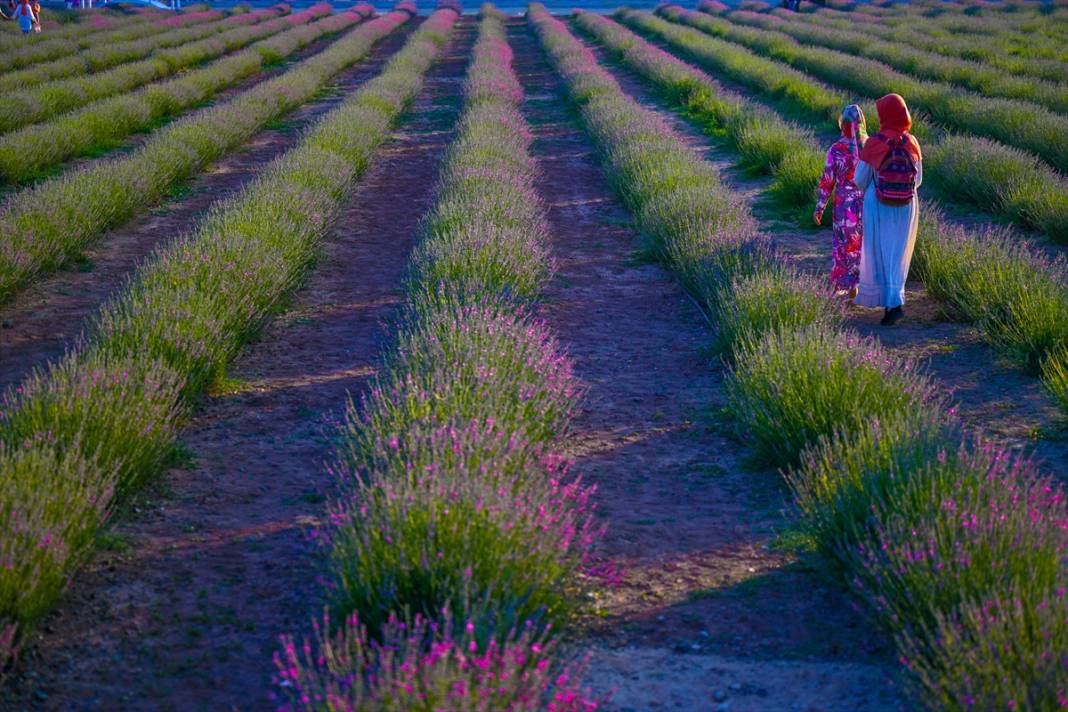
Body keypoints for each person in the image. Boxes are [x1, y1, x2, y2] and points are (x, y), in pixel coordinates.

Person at [853, 93, 922, 326]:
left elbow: (860, 180)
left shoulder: (874, 143)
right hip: (906, 205)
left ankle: (891, 305)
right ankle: (896, 301)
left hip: (879, 204)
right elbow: (918, 179)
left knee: (880, 252)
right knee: (898, 253)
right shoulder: (911, 142)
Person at [814, 104, 867, 298]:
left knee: (844, 243)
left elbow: (827, 181)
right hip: (866, 202)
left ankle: (848, 284)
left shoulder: (836, 149)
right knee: (864, 243)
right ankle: (862, 284)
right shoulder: (869, 147)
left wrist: (820, 207)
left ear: (843, 123)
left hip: (845, 205)